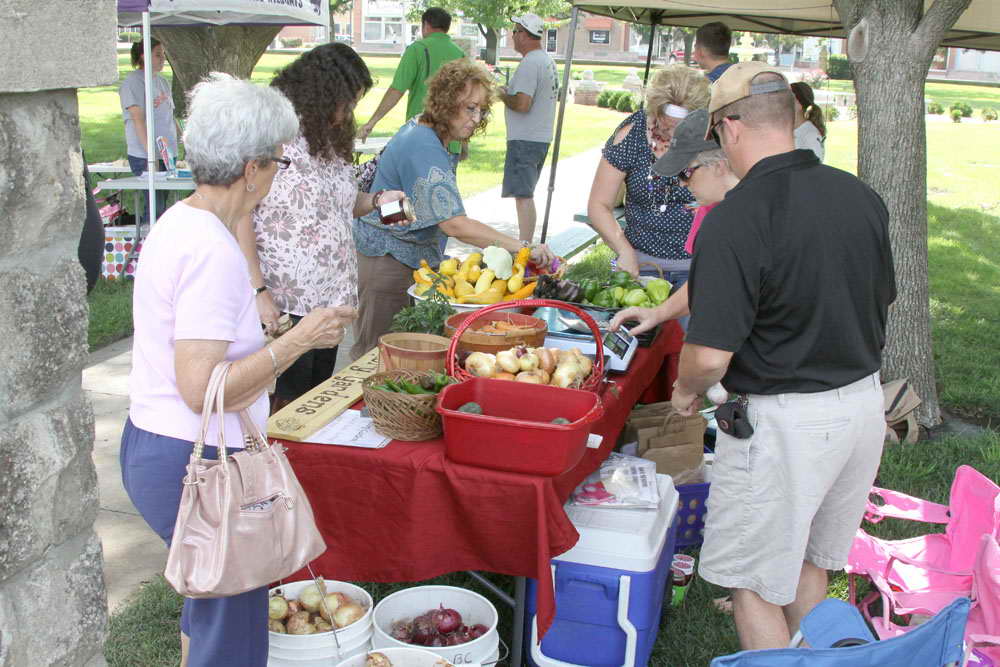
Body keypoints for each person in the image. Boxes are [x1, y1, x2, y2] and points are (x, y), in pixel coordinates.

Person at [121, 73, 356, 667]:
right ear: (250, 168)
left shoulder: (183, 222)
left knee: (211, 603)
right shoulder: (213, 251)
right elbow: (203, 388)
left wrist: (262, 339)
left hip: (160, 445)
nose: (278, 176)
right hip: (196, 459)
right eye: (277, 162)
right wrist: (299, 340)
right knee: (232, 629)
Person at [671, 62, 896, 651]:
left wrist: (686, 388)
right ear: (792, 120)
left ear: (729, 130)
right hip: (861, 409)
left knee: (751, 585)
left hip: (785, 424)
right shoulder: (860, 195)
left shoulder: (737, 217)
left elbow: (710, 354)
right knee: (804, 563)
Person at [351, 58, 555, 361]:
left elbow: (424, 210)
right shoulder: (424, 145)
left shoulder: (428, 132)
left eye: (482, 109)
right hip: (388, 263)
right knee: (378, 360)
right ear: (446, 103)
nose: (476, 117)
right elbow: (455, 224)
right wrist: (521, 248)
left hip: (403, 258)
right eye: (469, 107)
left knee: (401, 358)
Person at [237, 43, 405, 409]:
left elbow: (344, 205)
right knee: (284, 404)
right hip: (286, 298)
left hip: (329, 300)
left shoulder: (329, 142)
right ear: (320, 93)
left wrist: (378, 201)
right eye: (346, 102)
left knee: (315, 400)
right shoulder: (273, 140)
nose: (348, 114)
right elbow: (241, 216)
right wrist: (258, 291)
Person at [609, 109, 738, 333]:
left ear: (719, 165)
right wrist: (657, 314)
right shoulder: (706, 214)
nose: (681, 184)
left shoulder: (748, 215)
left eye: (685, 173)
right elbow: (703, 283)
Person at [586, 64, 710, 294]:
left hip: (700, 269)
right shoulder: (632, 133)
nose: (672, 134)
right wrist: (624, 251)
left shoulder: (714, 136)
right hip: (640, 265)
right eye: (665, 125)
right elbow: (598, 205)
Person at [357, 7, 465, 142]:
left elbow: (397, 90)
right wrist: (464, 142)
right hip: (452, 137)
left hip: (421, 133)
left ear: (425, 25)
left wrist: (371, 123)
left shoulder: (417, 49)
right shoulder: (461, 54)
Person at [499, 13, 559, 243]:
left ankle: (525, 245)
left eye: (515, 31)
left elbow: (522, 104)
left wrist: (503, 95)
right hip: (538, 137)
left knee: (523, 195)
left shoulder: (530, 62)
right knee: (525, 193)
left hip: (525, 138)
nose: (512, 36)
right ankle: (527, 243)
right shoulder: (545, 60)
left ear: (523, 35)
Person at [119, 39, 180, 224]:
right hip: (146, 155)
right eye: (158, 55)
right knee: (155, 207)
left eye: (163, 55)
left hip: (167, 154)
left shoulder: (162, 82)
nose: (163, 59)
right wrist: (150, 155)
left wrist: (184, 138)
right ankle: (147, 246)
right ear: (144, 56)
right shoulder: (133, 82)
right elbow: (138, 119)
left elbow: (170, 115)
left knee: (164, 206)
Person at [791, 81, 826, 160]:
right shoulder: (789, 131)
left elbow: (815, 167)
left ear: (798, 104)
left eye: (788, 99)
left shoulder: (811, 135)